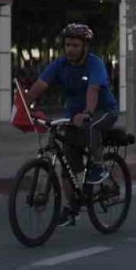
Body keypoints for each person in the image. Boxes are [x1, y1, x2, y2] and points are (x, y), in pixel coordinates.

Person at [23, 23, 119, 225]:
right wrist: (24, 105)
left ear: (85, 47)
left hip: (102, 112)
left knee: (90, 126)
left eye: (75, 45)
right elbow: (41, 84)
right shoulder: (60, 64)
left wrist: (87, 112)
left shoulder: (95, 64)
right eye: (67, 45)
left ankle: (99, 167)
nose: (70, 49)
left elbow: (93, 90)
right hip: (73, 116)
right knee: (67, 163)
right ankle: (72, 208)